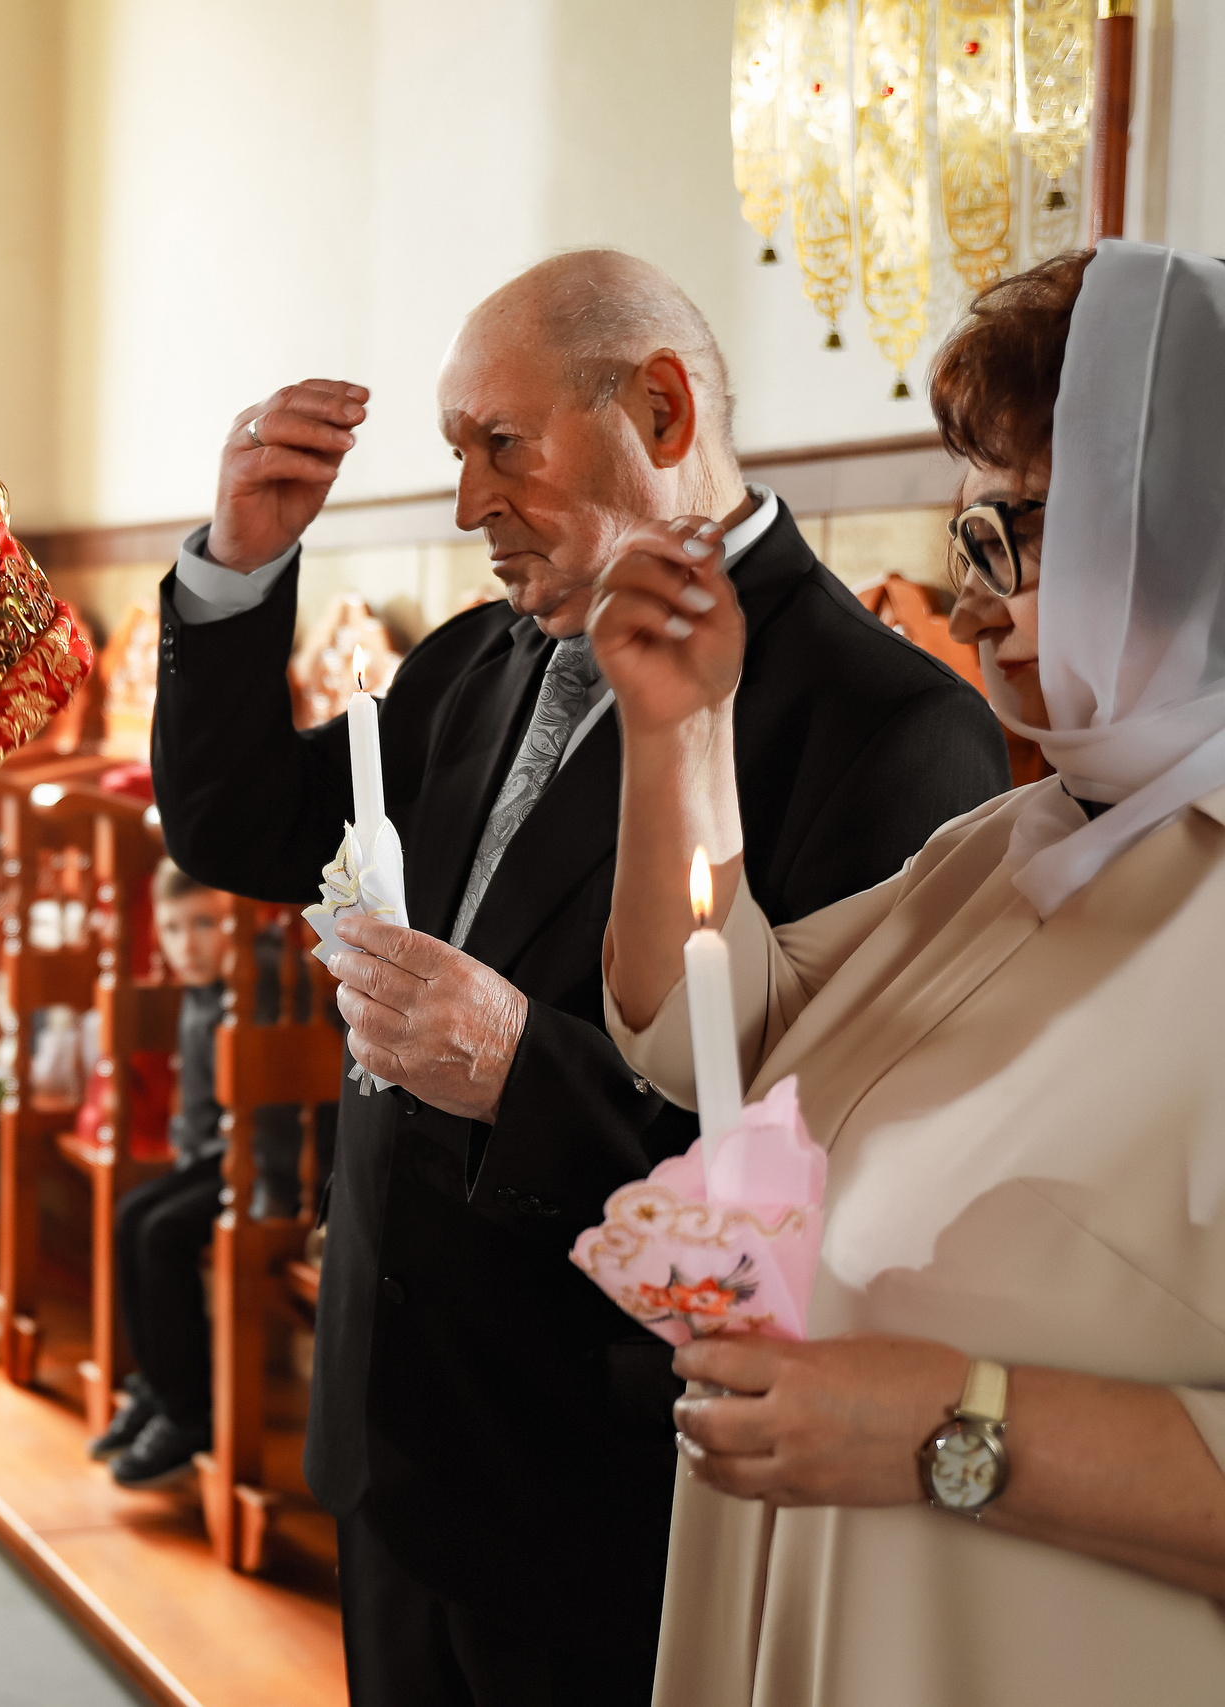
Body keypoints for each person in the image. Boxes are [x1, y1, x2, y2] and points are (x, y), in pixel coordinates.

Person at [149, 250, 1011, 1704]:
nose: (467, 502)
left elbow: (845, 1194)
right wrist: (237, 565)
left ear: (661, 410)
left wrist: (516, 1071)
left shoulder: (883, 726)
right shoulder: (479, 661)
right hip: (394, 1439)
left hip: (606, 1494)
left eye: (504, 444)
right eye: (455, 452)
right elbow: (243, 823)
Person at [596, 241, 1225, 1706]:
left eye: (1021, 533)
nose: (976, 599)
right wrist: (678, 734)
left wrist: (956, 1427)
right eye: (969, 539)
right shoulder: (1006, 847)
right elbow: (703, 1034)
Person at [90, 859, 305, 1488]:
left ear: (242, 920)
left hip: (277, 1171)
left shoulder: (262, 979)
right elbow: (200, 1114)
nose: (188, 945)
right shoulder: (203, 986)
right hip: (225, 1156)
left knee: (162, 1233)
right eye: (173, 928)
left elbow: (283, 1118)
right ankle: (160, 1384)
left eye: (205, 924)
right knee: (133, 1214)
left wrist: (267, 1200)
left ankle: (189, 1414)